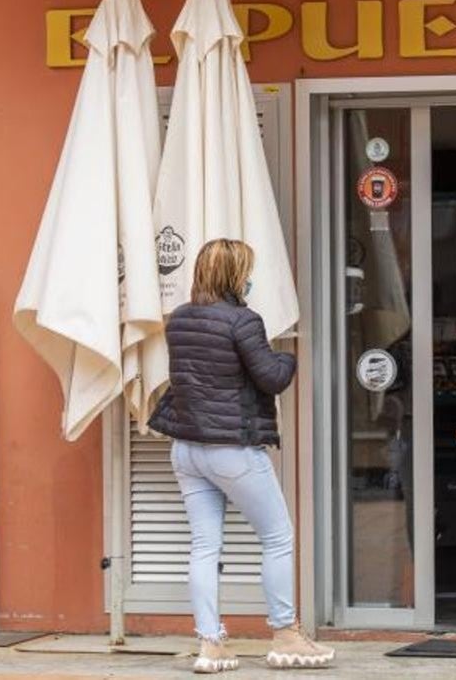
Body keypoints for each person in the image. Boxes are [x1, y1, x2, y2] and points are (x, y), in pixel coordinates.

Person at [149, 239, 335, 673]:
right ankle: (286, 635)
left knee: (203, 546)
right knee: (277, 537)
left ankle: (210, 645)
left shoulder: (178, 320)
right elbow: (270, 378)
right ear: (235, 276)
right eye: (246, 271)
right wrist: (287, 358)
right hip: (232, 448)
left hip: (186, 448)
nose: (251, 278)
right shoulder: (243, 320)